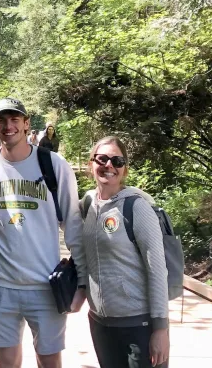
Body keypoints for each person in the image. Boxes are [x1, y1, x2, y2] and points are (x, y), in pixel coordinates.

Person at [0, 98, 87, 368]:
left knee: (48, 360)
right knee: (7, 362)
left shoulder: (54, 165)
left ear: (26, 124)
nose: (8, 126)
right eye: (1, 120)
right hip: (1, 284)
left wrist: (82, 283)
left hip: (46, 286)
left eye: (15, 120)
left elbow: (73, 224)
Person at [80, 136, 170, 368]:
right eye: (102, 159)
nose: (108, 165)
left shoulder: (136, 207)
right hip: (100, 323)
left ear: (124, 170)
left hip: (137, 324)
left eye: (117, 161)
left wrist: (161, 329)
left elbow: (158, 269)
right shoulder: (88, 204)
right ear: (91, 164)